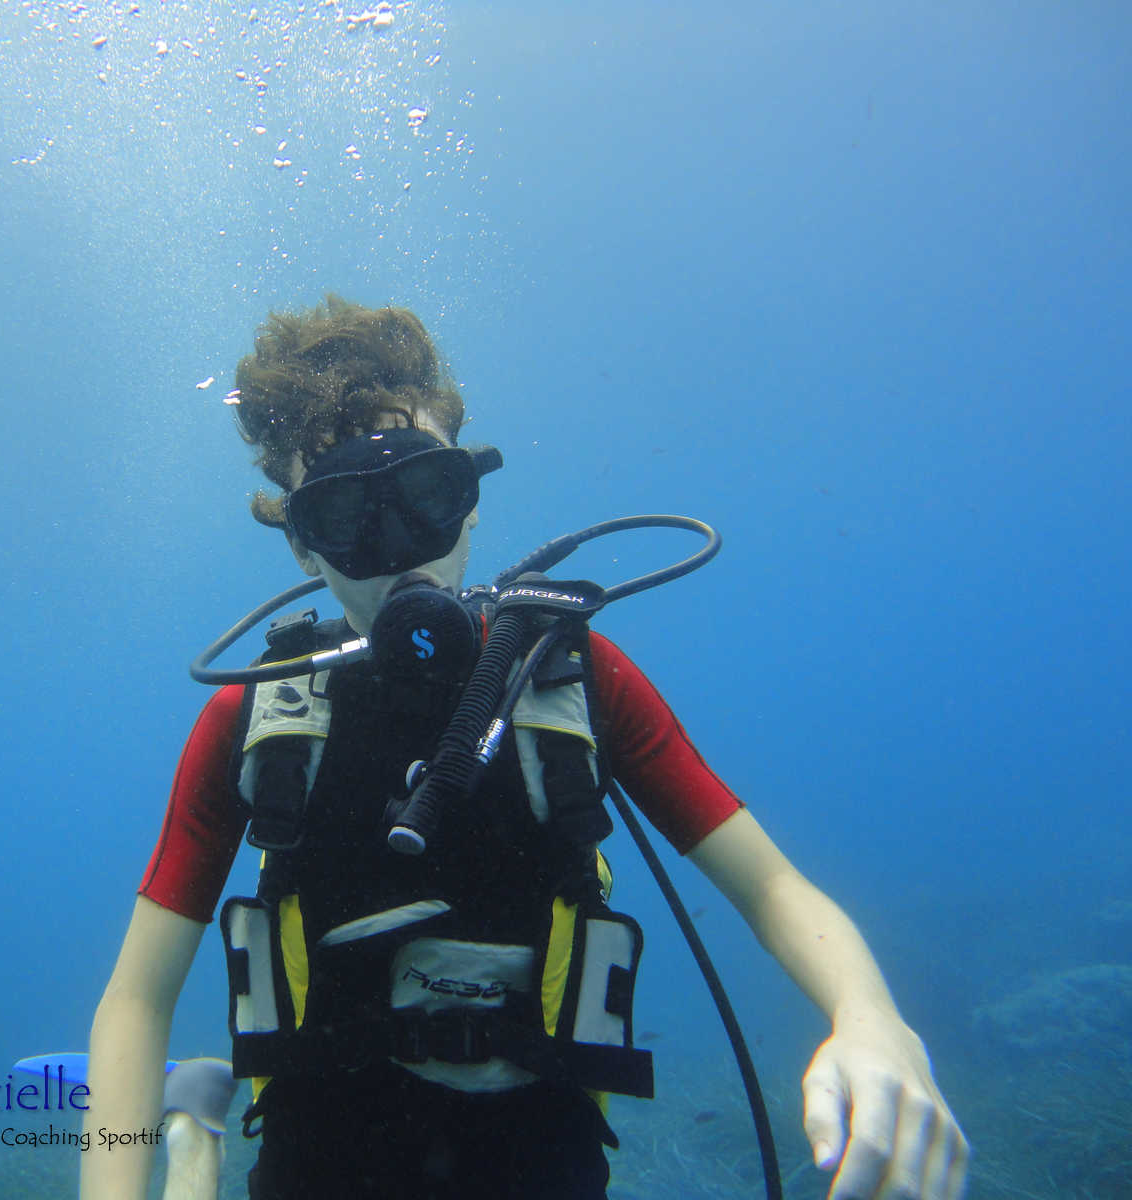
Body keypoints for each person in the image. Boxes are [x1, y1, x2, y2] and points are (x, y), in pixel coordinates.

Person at [83, 296, 968, 1200]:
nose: (398, 551)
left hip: (546, 1155)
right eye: (346, 515)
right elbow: (137, 1001)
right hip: (317, 1152)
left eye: (426, 495)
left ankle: (192, 1126)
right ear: (305, 550)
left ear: (470, 506)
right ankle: (193, 1132)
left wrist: (870, 1016)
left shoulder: (575, 681)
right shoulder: (256, 722)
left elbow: (773, 887)